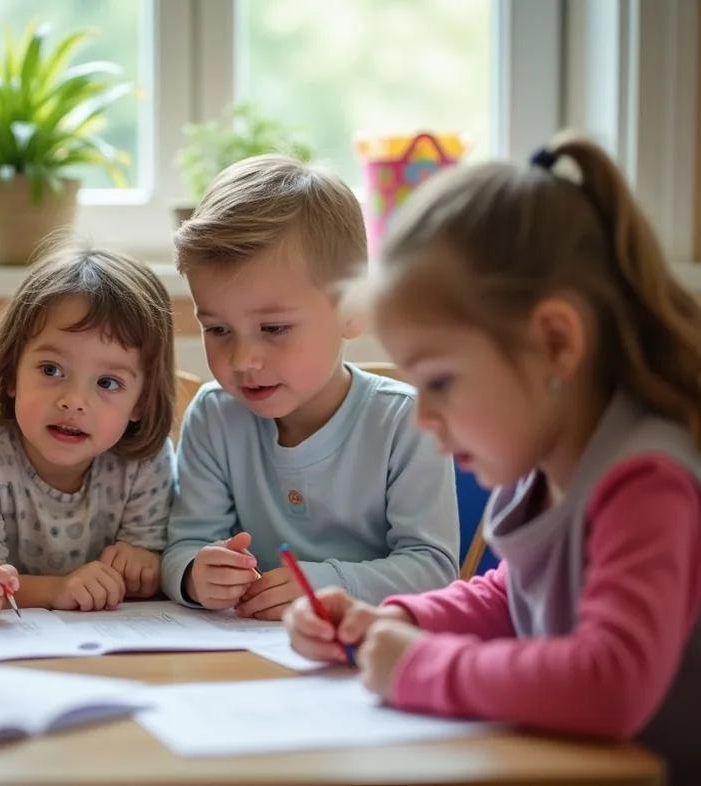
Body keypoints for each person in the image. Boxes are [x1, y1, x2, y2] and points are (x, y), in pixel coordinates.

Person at [284, 135, 701, 784]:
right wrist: (395, 620)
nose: (423, 418)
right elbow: (514, 597)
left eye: (441, 381)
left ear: (555, 343)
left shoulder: (646, 478)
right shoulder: (540, 466)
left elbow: (610, 681)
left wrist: (417, 667)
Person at [161, 154, 459, 620]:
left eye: (274, 328)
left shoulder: (404, 421)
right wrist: (196, 574)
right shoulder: (214, 416)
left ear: (353, 309)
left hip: (362, 653)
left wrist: (325, 583)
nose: (243, 360)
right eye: (217, 330)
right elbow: (183, 545)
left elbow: (435, 569)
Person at [0, 243, 176, 619]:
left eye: (107, 382)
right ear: (11, 374)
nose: (74, 400)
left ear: (140, 402)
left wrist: (145, 567)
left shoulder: (144, 463)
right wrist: (56, 589)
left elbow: (152, 564)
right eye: (51, 370)